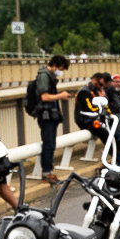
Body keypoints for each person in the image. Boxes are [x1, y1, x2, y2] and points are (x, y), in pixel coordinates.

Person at [31, 53, 72, 182]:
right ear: (54, 65)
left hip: (51, 114)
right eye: (60, 68)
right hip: (45, 114)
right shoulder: (44, 76)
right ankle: (46, 173)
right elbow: (44, 97)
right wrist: (60, 96)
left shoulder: (50, 76)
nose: (61, 72)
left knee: (51, 143)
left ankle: (49, 171)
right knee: (48, 143)